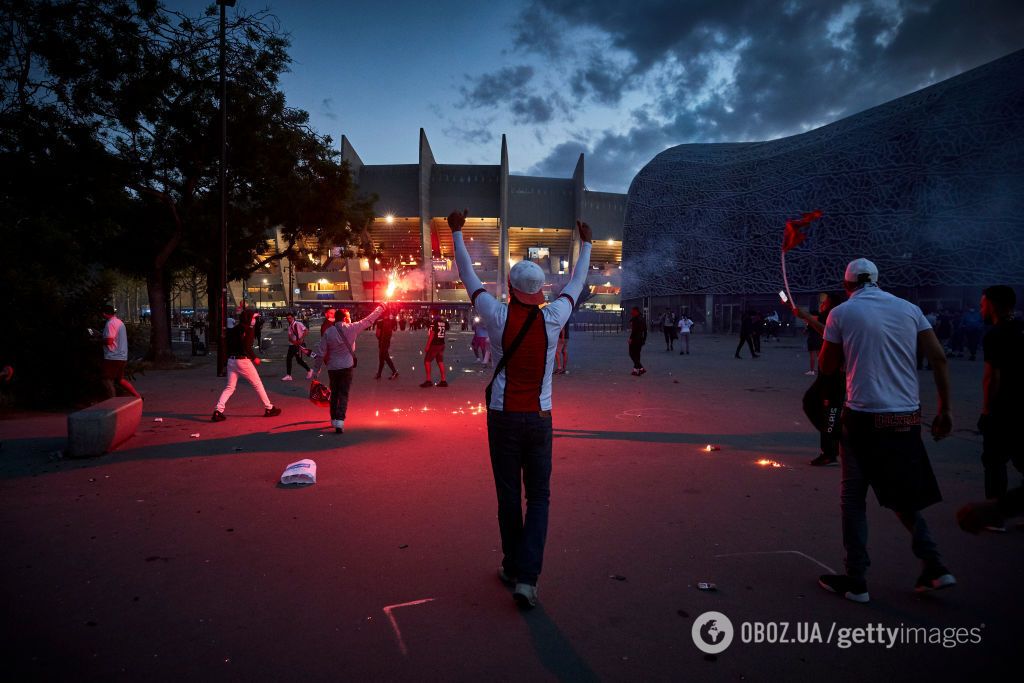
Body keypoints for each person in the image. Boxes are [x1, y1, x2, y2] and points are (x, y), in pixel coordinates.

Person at [448, 209, 592, 609]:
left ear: (510, 287)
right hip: (541, 419)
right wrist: (588, 244)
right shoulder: (554, 317)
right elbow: (577, 284)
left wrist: (456, 232)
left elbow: (466, 276)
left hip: (502, 418)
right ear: (542, 290)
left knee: (509, 495)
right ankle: (528, 578)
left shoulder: (496, 314)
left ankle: (513, 566)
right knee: (540, 497)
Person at [817, 258, 954, 604]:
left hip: (864, 418)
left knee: (853, 499)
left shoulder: (842, 313)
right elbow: (938, 357)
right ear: (878, 280)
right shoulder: (909, 309)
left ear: (847, 285)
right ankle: (935, 565)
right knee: (902, 496)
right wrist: (945, 409)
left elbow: (827, 366)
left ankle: (857, 579)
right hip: (906, 418)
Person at [977, 285, 1024, 528]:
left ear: (993, 304)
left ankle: (994, 514)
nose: (980, 307)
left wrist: (986, 409)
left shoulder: (996, 335)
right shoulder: (1020, 328)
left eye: (983, 303)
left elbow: (991, 377)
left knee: (994, 460)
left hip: (1004, 408)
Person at [310, 305, 386, 433]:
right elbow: (368, 320)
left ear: (335, 319)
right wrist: (380, 308)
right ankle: (340, 421)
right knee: (344, 394)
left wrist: (316, 369)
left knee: (334, 393)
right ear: (345, 318)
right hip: (346, 366)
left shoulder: (329, 332)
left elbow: (320, 352)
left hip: (333, 367)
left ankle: (333, 419)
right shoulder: (351, 328)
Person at [793, 292, 846, 466]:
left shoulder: (839, 317)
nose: (821, 304)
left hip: (837, 374)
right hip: (826, 373)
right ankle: (834, 439)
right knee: (811, 402)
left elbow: (826, 331)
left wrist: (807, 316)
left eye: (824, 302)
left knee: (831, 411)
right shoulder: (827, 316)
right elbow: (816, 321)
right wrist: (794, 308)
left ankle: (832, 449)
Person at [211, 311, 280, 421]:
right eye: (253, 318)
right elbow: (247, 347)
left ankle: (218, 410)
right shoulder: (249, 330)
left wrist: (225, 362)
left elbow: (227, 346)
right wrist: (254, 358)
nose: (255, 320)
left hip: (231, 361)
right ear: (249, 319)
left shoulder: (234, 329)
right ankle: (269, 407)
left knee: (230, 387)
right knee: (258, 384)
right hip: (243, 361)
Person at [100, 305, 141, 400]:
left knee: (107, 380)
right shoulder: (119, 322)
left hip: (112, 356)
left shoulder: (110, 324)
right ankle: (137, 396)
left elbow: (109, 341)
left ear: (104, 313)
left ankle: (112, 402)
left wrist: (98, 340)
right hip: (122, 356)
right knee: (120, 379)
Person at [802, 294, 831, 374]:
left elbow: (806, 331)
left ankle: (812, 370)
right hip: (819, 337)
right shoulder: (821, 318)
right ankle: (821, 369)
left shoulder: (811, 321)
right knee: (819, 355)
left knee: (812, 356)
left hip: (812, 338)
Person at [420, 309, 450, 387]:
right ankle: (443, 380)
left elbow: (432, 334)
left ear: (433, 314)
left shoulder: (434, 322)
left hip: (435, 344)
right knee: (440, 361)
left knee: (427, 361)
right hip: (441, 343)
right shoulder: (442, 322)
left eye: (430, 313)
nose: (429, 315)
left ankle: (428, 380)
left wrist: (427, 345)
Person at [282, 311, 312, 381]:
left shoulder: (298, 324)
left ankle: (309, 370)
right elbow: (289, 337)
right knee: (294, 359)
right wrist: (293, 342)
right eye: (287, 318)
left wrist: (301, 339)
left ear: (293, 318)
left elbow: (306, 330)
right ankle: (290, 375)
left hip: (297, 345)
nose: (289, 320)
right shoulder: (290, 326)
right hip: (293, 344)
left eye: (290, 318)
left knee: (294, 359)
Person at [375, 312, 399, 380]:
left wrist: (379, 339)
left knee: (384, 357)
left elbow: (377, 334)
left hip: (382, 342)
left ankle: (394, 371)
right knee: (382, 357)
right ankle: (379, 374)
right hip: (387, 341)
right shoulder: (391, 322)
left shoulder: (379, 322)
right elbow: (394, 329)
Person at [628, 307, 647, 375]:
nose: (631, 313)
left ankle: (641, 368)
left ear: (636, 311)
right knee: (637, 354)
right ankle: (636, 370)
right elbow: (645, 330)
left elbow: (634, 330)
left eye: (633, 311)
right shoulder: (642, 319)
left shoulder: (636, 319)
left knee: (631, 354)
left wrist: (630, 338)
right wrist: (644, 339)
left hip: (635, 339)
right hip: (640, 339)